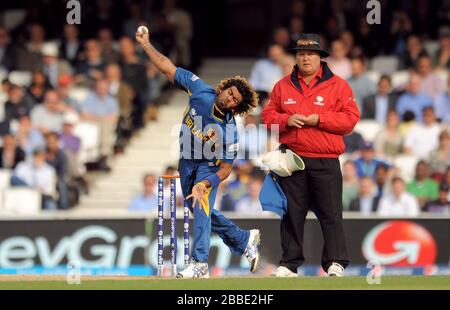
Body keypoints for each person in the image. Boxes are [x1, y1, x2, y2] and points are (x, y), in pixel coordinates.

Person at [136, 27, 260, 279]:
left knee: (201, 209)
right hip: (186, 161)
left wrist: (206, 183)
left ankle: (200, 263)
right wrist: (146, 44)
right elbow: (167, 67)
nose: (229, 98)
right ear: (224, 87)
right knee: (199, 211)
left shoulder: (230, 132)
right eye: (230, 92)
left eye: (235, 99)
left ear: (238, 106)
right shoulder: (199, 90)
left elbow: (226, 169)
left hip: (208, 167)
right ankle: (243, 238)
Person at [262, 34, 360, 277]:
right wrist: (286, 120)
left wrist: (320, 119)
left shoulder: (339, 85)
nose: (305, 57)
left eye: (310, 53)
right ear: (296, 57)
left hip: (325, 159)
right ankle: (289, 264)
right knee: (291, 214)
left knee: (331, 213)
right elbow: (267, 118)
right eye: (301, 53)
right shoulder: (282, 85)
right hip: (292, 160)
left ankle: (335, 262)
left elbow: (350, 120)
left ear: (320, 58)